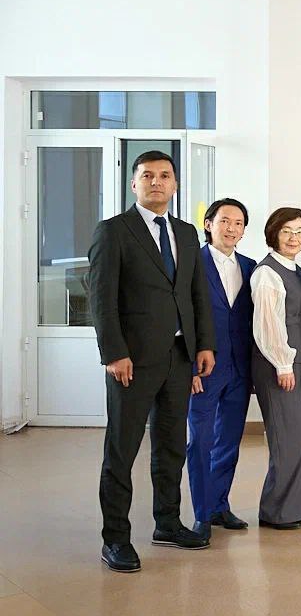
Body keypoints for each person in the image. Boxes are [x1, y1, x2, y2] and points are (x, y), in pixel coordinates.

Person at [89, 150, 216, 572]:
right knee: (122, 450)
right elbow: (102, 299)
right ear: (134, 184)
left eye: (164, 175)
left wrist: (204, 345)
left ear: (175, 184)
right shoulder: (114, 231)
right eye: (147, 176)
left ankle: (168, 522)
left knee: (171, 445)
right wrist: (114, 353)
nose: (156, 182)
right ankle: (115, 539)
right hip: (132, 361)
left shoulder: (185, 232)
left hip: (179, 358)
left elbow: (196, 294)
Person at [186, 198, 256, 539]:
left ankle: (219, 505)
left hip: (239, 368)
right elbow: (182, 318)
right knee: (200, 441)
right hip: (204, 368)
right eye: (225, 221)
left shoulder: (250, 266)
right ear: (209, 224)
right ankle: (201, 513)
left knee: (228, 440)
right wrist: (188, 367)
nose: (231, 228)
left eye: (238, 223)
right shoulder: (191, 263)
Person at [252, 208, 301, 530]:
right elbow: (268, 324)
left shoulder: (298, 270)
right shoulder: (267, 273)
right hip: (278, 365)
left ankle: (293, 508)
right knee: (288, 438)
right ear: (274, 233)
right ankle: (275, 512)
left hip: (297, 363)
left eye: (300, 231)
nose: (294, 238)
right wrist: (282, 363)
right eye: (287, 231)